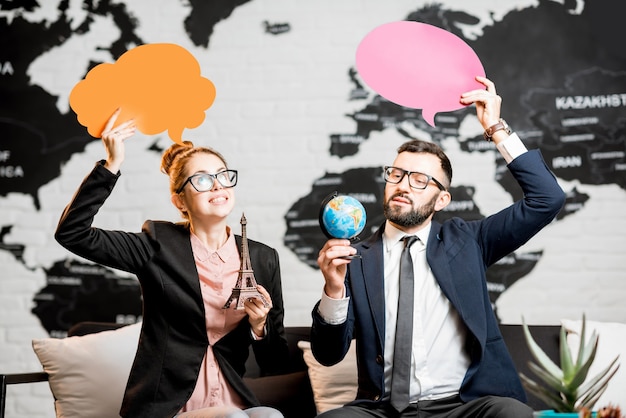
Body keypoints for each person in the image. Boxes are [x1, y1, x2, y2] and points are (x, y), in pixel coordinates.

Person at [311, 76, 566, 418]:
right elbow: (328, 355)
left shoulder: (469, 241)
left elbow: (547, 199)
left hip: (463, 407)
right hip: (383, 410)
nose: (404, 186)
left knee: (513, 415)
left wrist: (495, 128)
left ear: (442, 199)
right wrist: (332, 289)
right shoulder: (356, 260)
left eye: (420, 180)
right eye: (397, 174)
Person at [55, 109, 289, 418]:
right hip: (167, 407)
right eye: (203, 180)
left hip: (233, 401)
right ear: (179, 200)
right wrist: (111, 165)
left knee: (271, 416)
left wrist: (260, 327)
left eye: (223, 175)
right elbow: (73, 233)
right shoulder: (157, 245)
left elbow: (275, 363)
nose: (217, 185)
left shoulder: (263, 258)